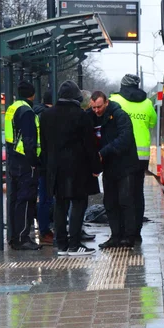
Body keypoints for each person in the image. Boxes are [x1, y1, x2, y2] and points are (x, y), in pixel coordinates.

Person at [41, 81, 100, 256]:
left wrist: (47, 168)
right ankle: (75, 244)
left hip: (55, 170)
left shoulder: (46, 115)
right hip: (77, 169)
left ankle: (62, 245)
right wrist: (96, 167)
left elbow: (44, 146)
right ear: (76, 97)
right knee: (79, 204)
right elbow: (90, 145)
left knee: (60, 205)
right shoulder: (81, 116)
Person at [109, 75, 157, 243]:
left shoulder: (115, 100)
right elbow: (152, 123)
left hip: (122, 154)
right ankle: (136, 231)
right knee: (138, 193)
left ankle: (124, 232)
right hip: (142, 156)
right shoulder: (147, 103)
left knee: (123, 194)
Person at [89, 90, 140, 248]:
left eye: (99, 106)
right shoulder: (92, 117)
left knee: (126, 200)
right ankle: (115, 236)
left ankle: (129, 236)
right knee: (110, 202)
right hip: (109, 167)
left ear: (106, 103)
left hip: (125, 166)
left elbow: (125, 139)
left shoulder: (120, 116)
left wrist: (104, 152)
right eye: (93, 108)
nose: (96, 110)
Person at [5, 81, 40, 250]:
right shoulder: (26, 111)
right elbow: (28, 140)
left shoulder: (13, 107)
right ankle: (22, 237)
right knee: (26, 199)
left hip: (13, 160)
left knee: (15, 199)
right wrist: (34, 162)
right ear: (32, 95)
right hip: (25, 162)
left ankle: (14, 236)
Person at [32, 99, 55, 246]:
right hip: (46, 163)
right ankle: (45, 230)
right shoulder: (46, 116)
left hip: (40, 163)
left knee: (44, 198)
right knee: (47, 199)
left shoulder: (35, 113)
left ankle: (44, 229)